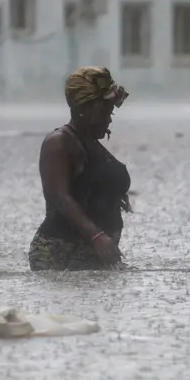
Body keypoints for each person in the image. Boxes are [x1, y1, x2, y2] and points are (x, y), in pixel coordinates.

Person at [28, 66, 132, 271]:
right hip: (59, 253)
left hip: (95, 255)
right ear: (82, 108)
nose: (109, 119)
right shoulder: (58, 143)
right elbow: (61, 198)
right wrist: (97, 236)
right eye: (104, 112)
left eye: (110, 112)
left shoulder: (93, 144)